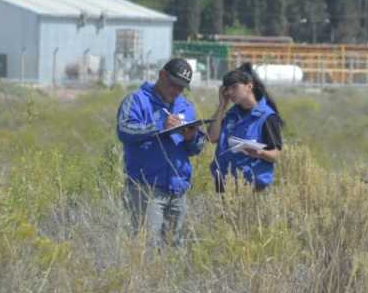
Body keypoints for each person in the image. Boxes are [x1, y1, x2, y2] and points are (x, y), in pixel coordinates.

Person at [116, 57, 207, 245]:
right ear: (162, 75)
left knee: (175, 252)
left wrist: (192, 138)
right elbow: (125, 130)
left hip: (178, 191)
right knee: (146, 250)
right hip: (146, 190)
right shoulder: (136, 101)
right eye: (173, 85)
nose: (175, 91)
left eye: (181, 88)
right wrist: (158, 126)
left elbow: (195, 149)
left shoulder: (186, 107)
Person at [208, 63, 283, 192]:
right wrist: (221, 106)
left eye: (234, 87)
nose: (230, 92)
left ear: (249, 86)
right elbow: (212, 137)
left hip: (252, 186)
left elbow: (276, 155)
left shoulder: (266, 116)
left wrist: (260, 153)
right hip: (223, 183)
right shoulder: (231, 115)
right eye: (227, 89)